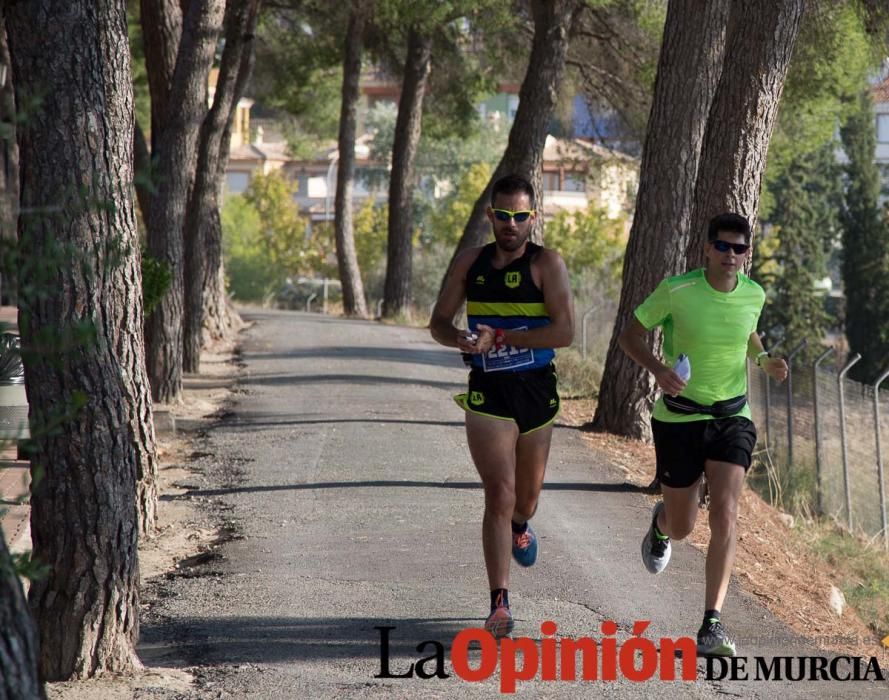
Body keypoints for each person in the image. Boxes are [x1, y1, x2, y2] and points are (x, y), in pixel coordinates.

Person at [618, 212, 788, 657]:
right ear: (708, 248)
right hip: (679, 418)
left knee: (727, 515)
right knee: (683, 526)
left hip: (733, 416)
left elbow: (746, 329)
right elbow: (630, 335)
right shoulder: (678, 290)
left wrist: (766, 357)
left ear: (747, 254)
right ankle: (660, 524)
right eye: (724, 246)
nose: (731, 255)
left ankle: (711, 623)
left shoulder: (755, 294)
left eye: (740, 248)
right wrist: (658, 370)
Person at [430, 174, 574, 638]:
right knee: (498, 491)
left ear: (533, 219)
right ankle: (499, 606)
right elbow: (438, 322)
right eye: (502, 215)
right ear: (490, 216)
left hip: (535, 389)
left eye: (520, 216)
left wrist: (505, 337)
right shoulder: (471, 262)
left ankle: (520, 525)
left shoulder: (546, 264)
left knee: (525, 499)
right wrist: (464, 339)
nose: (510, 225)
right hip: (488, 390)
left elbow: (565, 333)